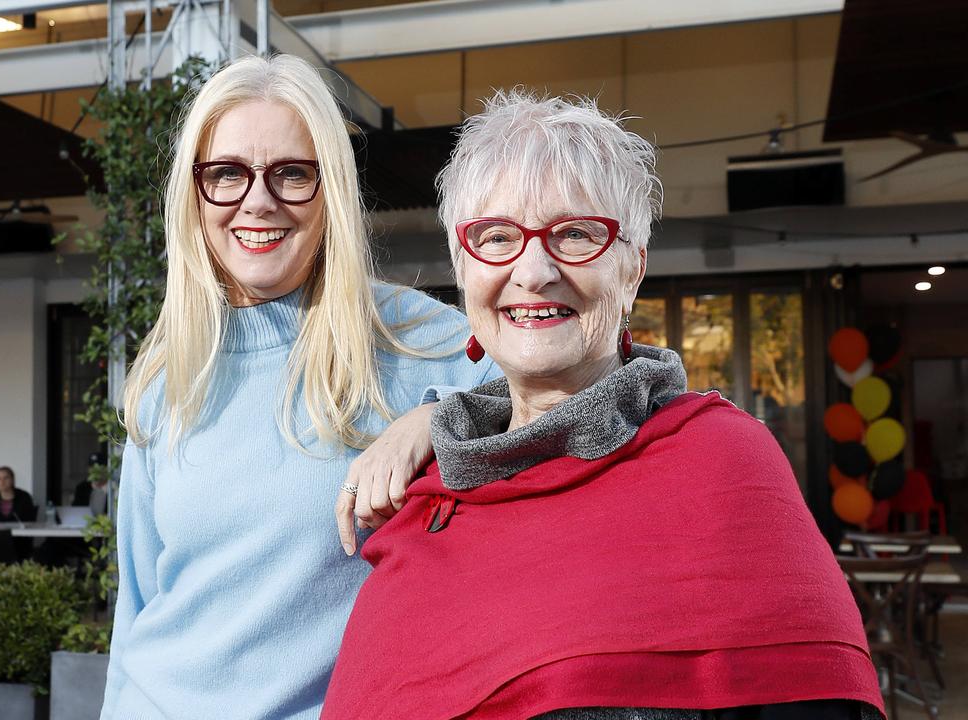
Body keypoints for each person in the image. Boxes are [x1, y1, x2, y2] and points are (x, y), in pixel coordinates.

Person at [323, 93, 883, 719]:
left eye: (575, 235)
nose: (533, 270)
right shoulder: (427, 495)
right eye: (496, 236)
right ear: (463, 268)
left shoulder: (723, 463)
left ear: (632, 272)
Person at [99, 54, 497, 720]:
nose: (258, 199)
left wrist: (435, 421)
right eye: (227, 173)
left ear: (330, 189)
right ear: (195, 197)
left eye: (291, 173)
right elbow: (136, 606)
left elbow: (586, 391)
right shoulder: (170, 375)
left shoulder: (416, 341)